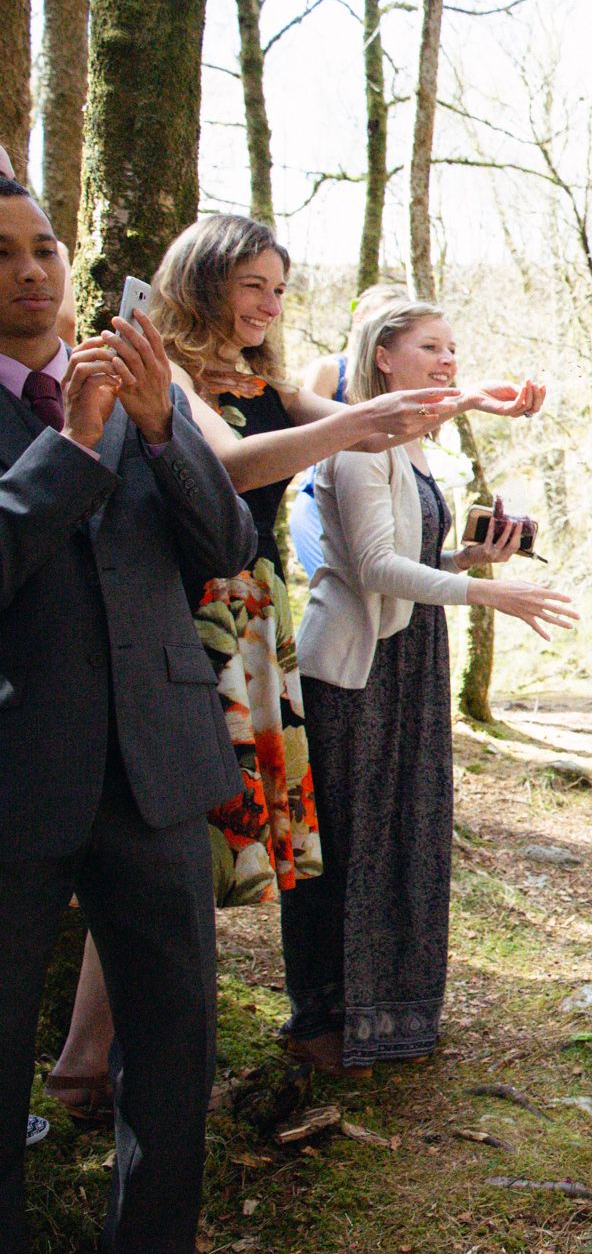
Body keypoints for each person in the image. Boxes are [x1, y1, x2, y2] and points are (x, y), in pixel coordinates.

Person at [44, 218, 528, 1110]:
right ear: (203, 282)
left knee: (192, 856)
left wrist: (467, 404)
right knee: (159, 846)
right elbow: (228, 465)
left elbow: (367, 433)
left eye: (278, 288)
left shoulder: (259, 379)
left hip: (252, 621)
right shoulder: (173, 377)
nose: (269, 304)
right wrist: (359, 420)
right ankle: (85, 1066)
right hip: (182, 621)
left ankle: (120, 1063)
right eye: (253, 285)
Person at [0, 174, 258, 1251]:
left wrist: (158, 431)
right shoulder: (67, 408)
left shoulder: (143, 387)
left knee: (175, 1046)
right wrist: (72, 443)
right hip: (16, 774)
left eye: (46, 247)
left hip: (156, 767)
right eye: (2, 253)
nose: (31, 270)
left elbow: (228, 550)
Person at [287, 301, 574, 1073]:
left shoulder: (413, 453)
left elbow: (410, 564)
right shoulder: (353, 441)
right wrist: (493, 598)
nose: (449, 361)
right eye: (431, 348)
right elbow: (372, 568)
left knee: (398, 837)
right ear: (383, 357)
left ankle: (386, 1013)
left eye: (454, 348)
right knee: (345, 846)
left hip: (410, 658)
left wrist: (470, 561)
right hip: (351, 669)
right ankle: (319, 1018)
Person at [290, 282, 411, 580]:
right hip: (321, 501)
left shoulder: (389, 376)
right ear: (359, 316)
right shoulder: (330, 369)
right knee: (338, 589)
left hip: (371, 502)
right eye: (381, 317)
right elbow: (303, 436)